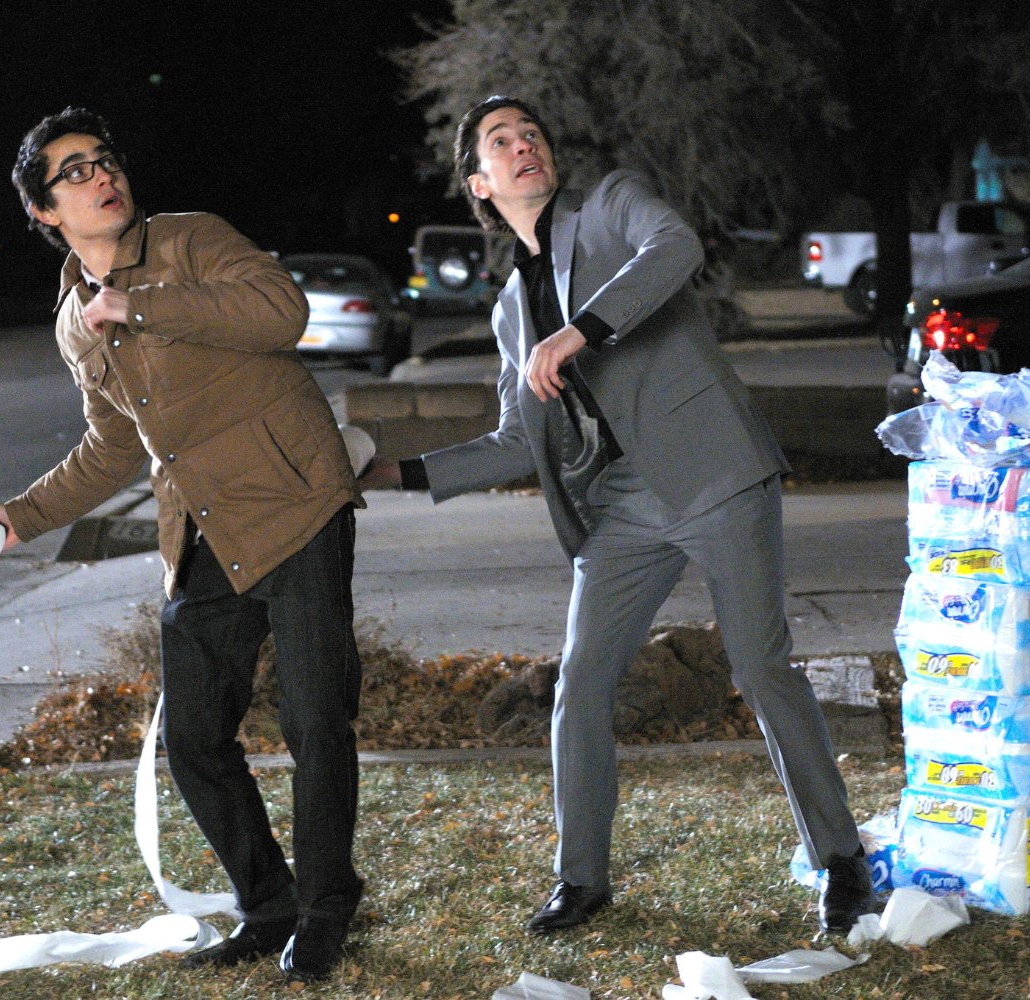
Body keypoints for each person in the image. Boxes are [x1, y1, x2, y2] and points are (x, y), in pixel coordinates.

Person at [360, 96, 874, 936]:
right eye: (500, 142)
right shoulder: (508, 312)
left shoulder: (609, 205)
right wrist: (392, 473)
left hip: (714, 471)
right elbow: (515, 440)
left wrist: (578, 333)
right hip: (624, 503)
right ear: (479, 184)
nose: (523, 146)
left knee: (760, 669)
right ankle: (581, 880)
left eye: (531, 134)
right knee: (581, 682)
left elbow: (676, 248)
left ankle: (841, 860)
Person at [0, 107, 364, 983]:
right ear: (43, 211)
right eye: (73, 171)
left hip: (295, 499)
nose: (100, 175)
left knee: (313, 720)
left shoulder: (191, 239)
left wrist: (140, 305)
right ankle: (269, 906)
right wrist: (19, 517)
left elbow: (281, 311)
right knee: (194, 739)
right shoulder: (73, 321)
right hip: (203, 528)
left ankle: (326, 908)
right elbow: (113, 445)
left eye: (103, 159)